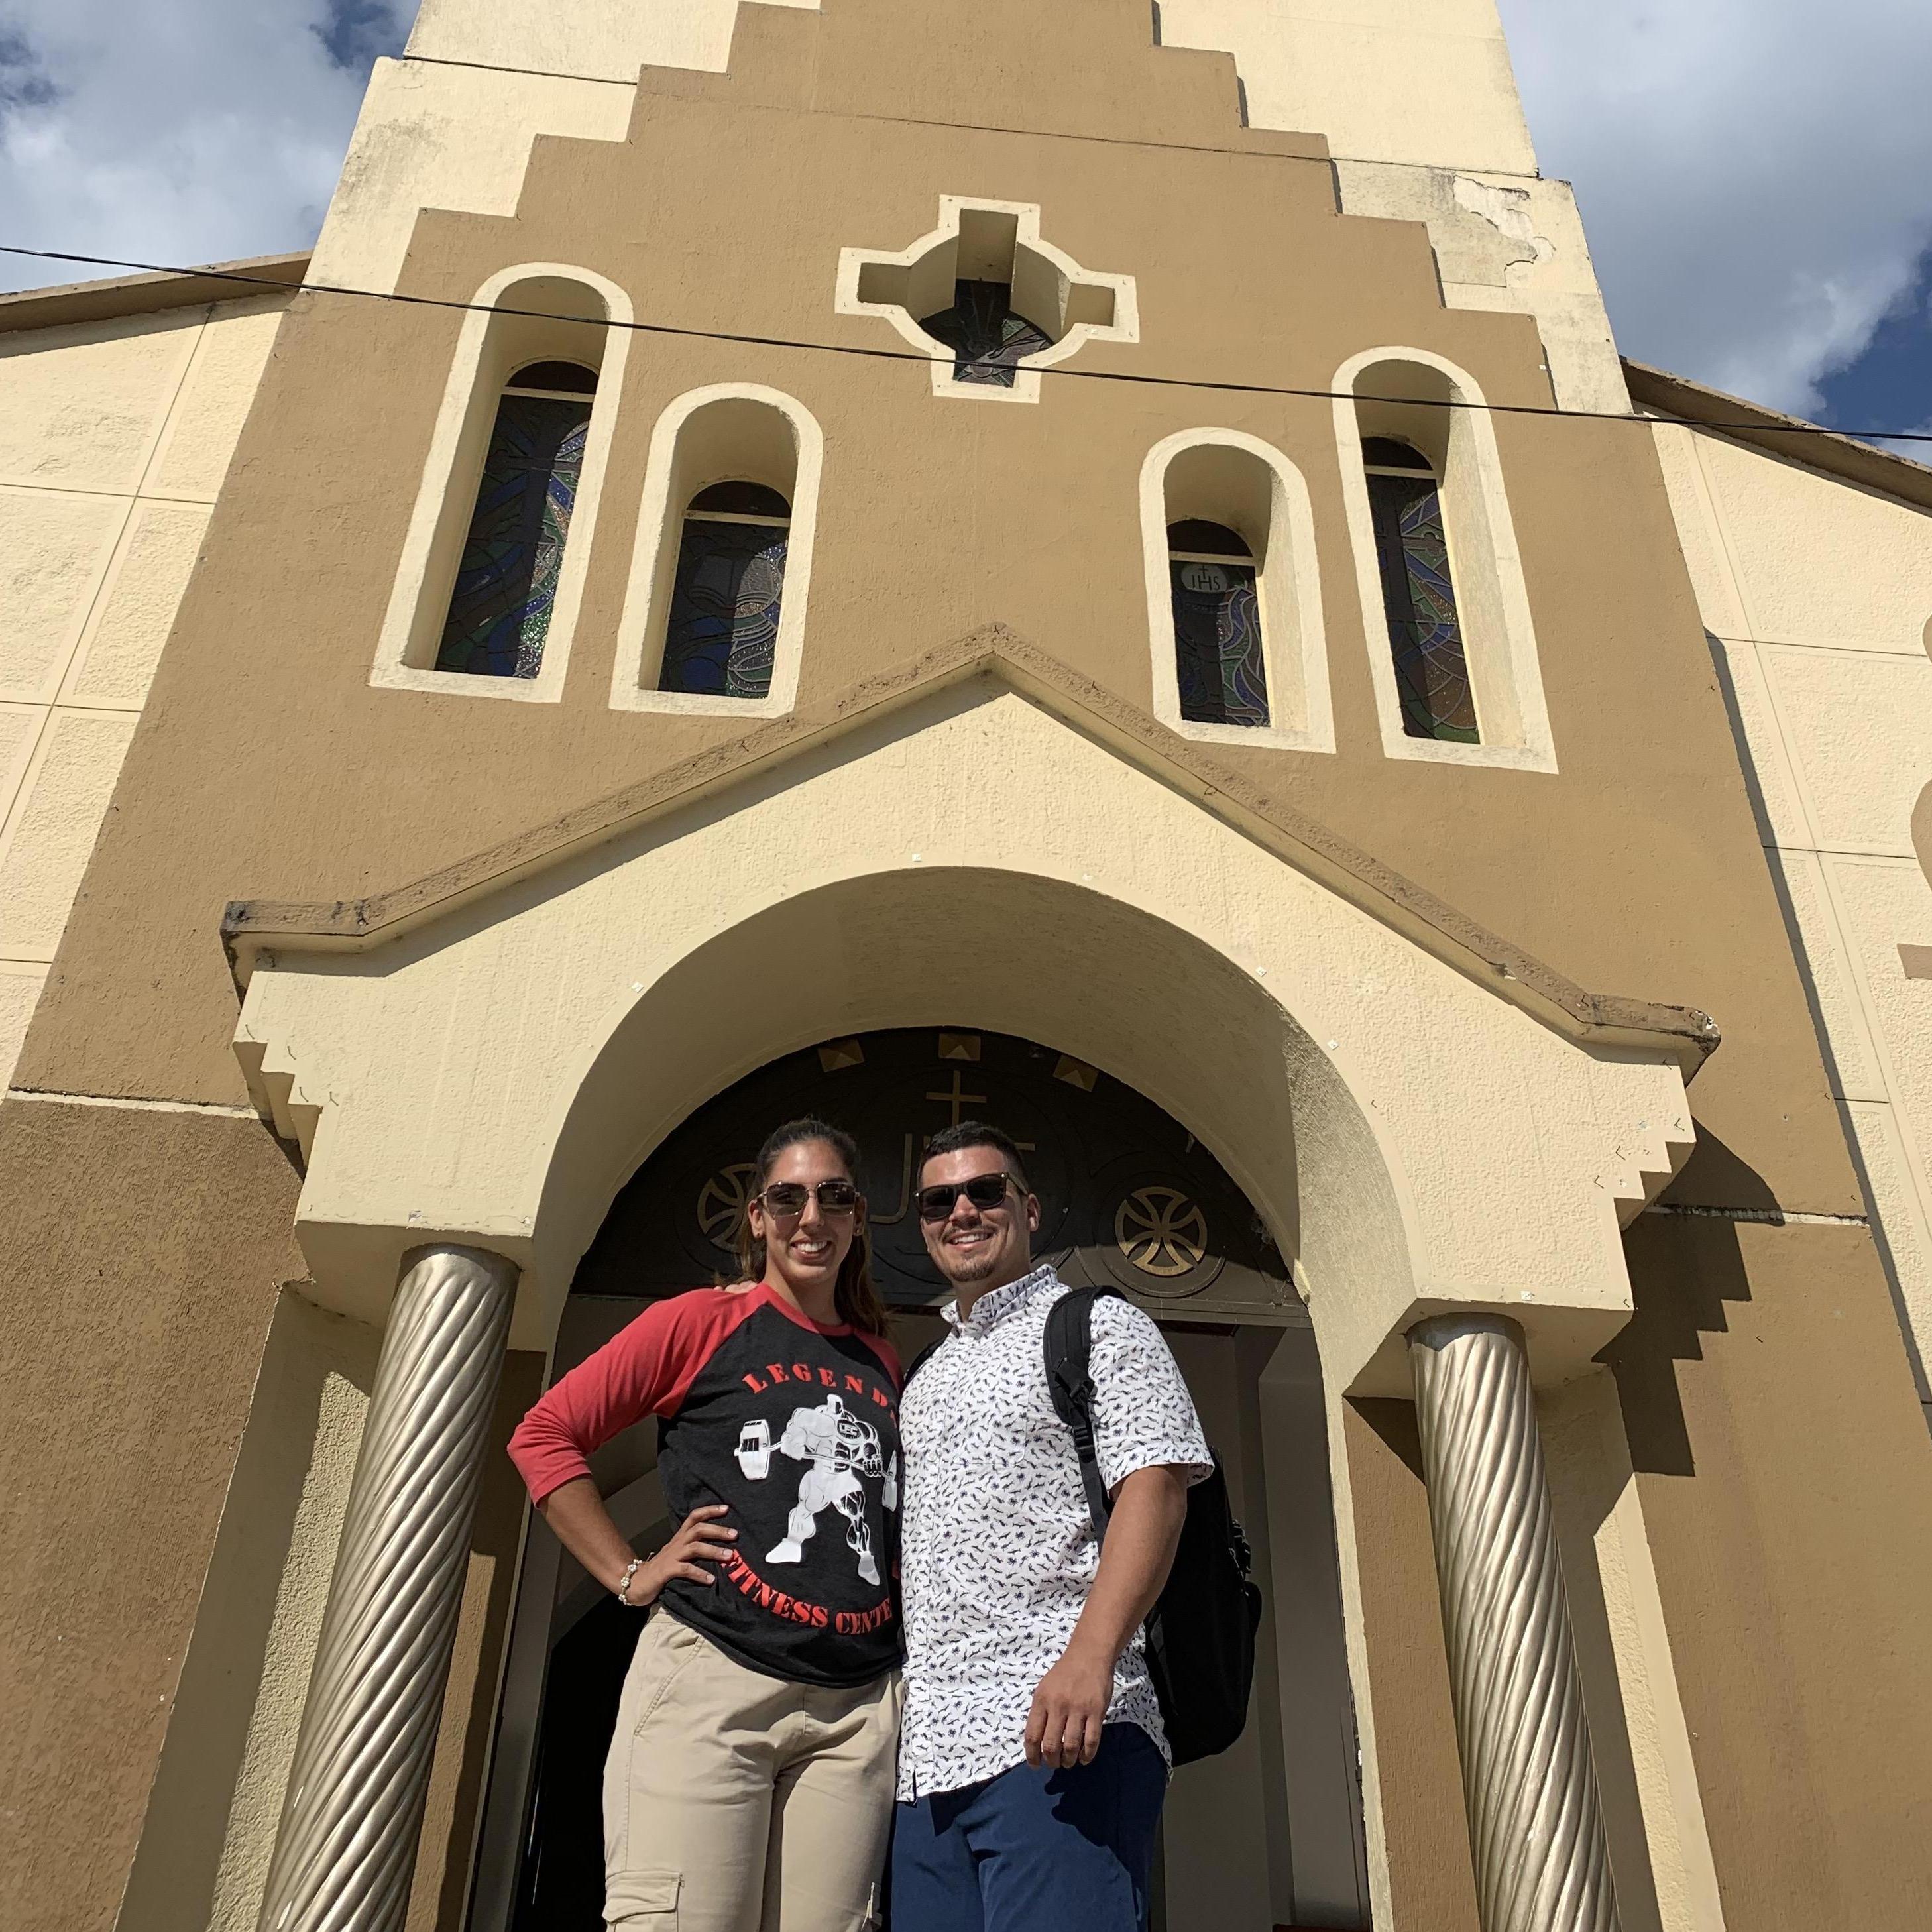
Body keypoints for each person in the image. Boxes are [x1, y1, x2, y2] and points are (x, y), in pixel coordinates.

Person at [507, 1119, 903, 1932]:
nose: (811, 1217)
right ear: (756, 1216)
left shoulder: (879, 1360)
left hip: (854, 1710)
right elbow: (544, 1435)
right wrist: (628, 1572)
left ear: (857, 1217)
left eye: (833, 1197)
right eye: (787, 1198)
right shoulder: (699, 1321)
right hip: (716, 1679)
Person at [891, 1121, 1212, 1932]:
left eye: (984, 1190)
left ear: (1028, 1208)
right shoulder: (924, 1375)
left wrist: (1089, 1658)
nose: (962, 1210)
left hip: (1058, 1734)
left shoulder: (1096, 1324)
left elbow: (1156, 1487)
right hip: (926, 1764)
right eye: (938, 1200)